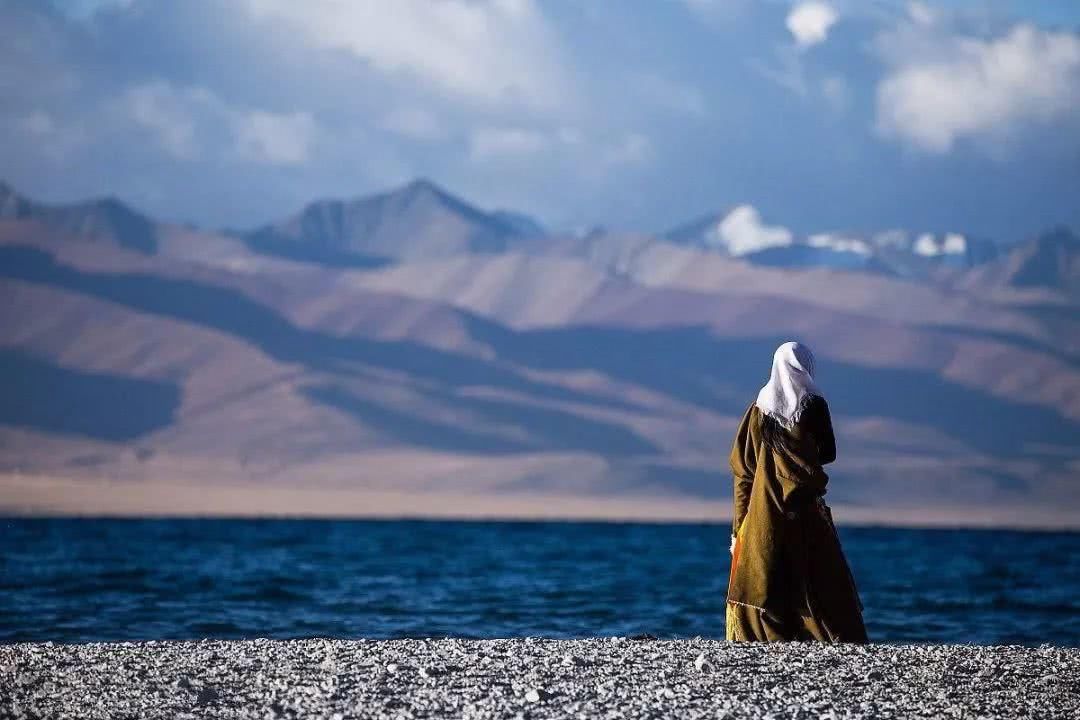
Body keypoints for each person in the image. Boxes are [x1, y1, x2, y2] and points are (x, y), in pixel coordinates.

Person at [725, 341, 867, 643]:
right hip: (804, 510)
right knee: (819, 579)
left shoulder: (758, 409)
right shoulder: (814, 405)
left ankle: (768, 639)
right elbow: (828, 453)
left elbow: (743, 469)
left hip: (763, 512)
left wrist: (740, 526)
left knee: (766, 574)